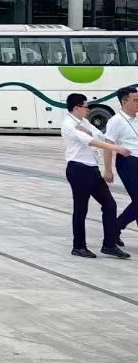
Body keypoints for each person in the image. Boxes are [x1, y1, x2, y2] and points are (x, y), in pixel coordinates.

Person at [64, 92, 131, 257]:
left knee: (110, 204)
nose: (88, 110)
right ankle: (79, 246)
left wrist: (116, 140)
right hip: (78, 169)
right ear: (76, 108)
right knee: (81, 208)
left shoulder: (83, 121)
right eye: (86, 107)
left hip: (92, 169)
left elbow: (98, 134)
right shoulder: (68, 124)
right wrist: (116, 149)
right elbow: (91, 141)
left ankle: (109, 244)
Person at [104, 85, 138, 238]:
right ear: (124, 101)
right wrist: (108, 170)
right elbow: (108, 146)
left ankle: (114, 230)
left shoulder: (136, 119)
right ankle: (115, 228)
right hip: (128, 162)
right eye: (136, 100)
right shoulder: (115, 121)